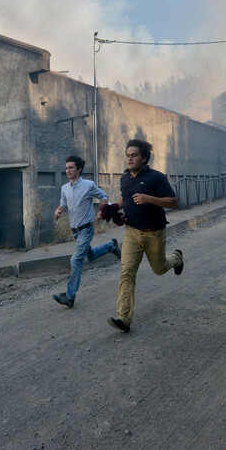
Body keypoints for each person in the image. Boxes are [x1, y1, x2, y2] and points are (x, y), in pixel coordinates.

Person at [108, 139, 184, 332]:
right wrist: (112, 208)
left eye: (134, 155)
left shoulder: (156, 178)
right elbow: (125, 198)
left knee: (159, 269)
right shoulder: (124, 179)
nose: (129, 158)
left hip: (154, 232)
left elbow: (174, 202)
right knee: (127, 272)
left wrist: (149, 199)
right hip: (132, 232)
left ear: (144, 158)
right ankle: (124, 318)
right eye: (127, 155)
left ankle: (176, 258)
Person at [53, 154, 122, 308]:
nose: (68, 170)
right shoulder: (64, 188)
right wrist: (58, 210)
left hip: (86, 229)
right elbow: (64, 204)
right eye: (66, 168)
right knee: (89, 256)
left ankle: (69, 296)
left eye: (71, 168)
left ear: (79, 169)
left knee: (76, 260)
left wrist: (103, 211)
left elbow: (103, 196)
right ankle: (111, 246)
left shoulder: (88, 185)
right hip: (75, 231)